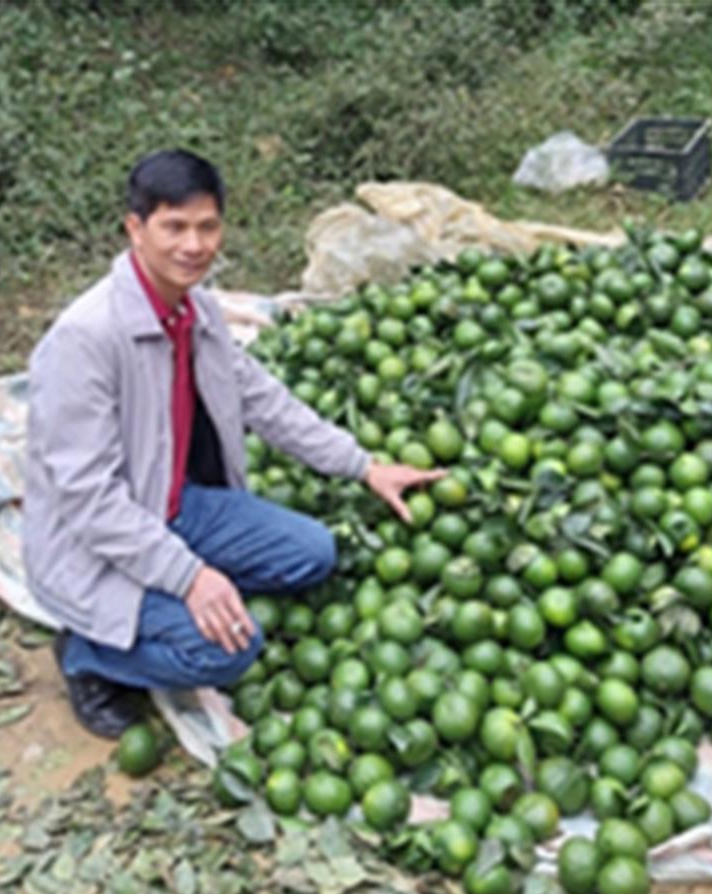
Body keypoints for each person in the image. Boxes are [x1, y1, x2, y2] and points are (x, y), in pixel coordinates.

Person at [24, 149, 442, 738]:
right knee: (228, 653)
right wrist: (190, 577)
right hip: (93, 544)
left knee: (314, 553)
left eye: (207, 227)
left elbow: (264, 402)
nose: (193, 245)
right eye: (174, 227)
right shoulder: (85, 339)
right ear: (135, 229)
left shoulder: (198, 312)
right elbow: (89, 502)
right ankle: (87, 655)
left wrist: (363, 467)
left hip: (170, 507)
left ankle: (170, 599)